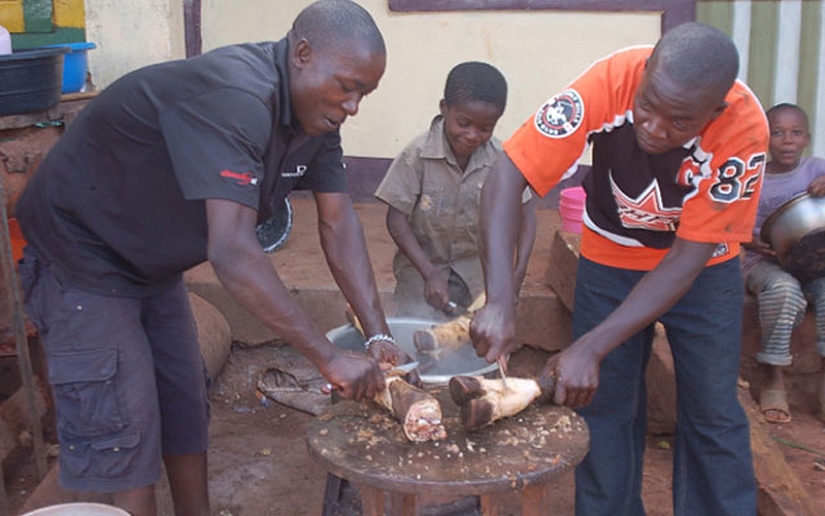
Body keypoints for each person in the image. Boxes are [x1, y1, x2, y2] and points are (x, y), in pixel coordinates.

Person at [14, 1, 412, 515]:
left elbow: (339, 224)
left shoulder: (318, 118)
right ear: (303, 54)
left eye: (365, 93)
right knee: (124, 426)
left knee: (183, 402)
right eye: (346, 85)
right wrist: (328, 358)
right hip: (82, 252)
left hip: (150, 262)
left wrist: (377, 334)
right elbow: (231, 250)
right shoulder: (237, 96)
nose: (353, 106)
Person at [470, 22, 767, 515]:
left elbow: (686, 259)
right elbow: (508, 175)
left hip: (703, 267)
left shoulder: (744, 128)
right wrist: (500, 299)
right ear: (645, 72)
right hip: (610, 255)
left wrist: (588, 345)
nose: (653, 126)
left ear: (714, 112)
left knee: (713, 412)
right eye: (647, 105)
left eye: (679, 121)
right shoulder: (605, 83)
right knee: (602, 405)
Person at [375, 61, 536, 321]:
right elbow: (396, 219)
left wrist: (516, 274)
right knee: (417, 339)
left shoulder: (501, 160)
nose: (472, 135)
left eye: (485, 128)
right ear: (444, 108)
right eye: (463, 123)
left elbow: (527, 216)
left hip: (477, 279)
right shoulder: (416, 155)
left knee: (469, 346)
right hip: (419, 276)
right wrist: (429, 273)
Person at [742, 103, 825, 424]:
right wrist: (748, 239)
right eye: (777, 133)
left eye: (796, 133)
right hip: (764, 261)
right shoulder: (754, 178)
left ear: (806, 139)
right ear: (764, 138)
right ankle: (773, 375)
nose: (787, 140)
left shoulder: (816, 170)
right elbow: (731, 220)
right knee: (784, 289)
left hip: (816, 261)